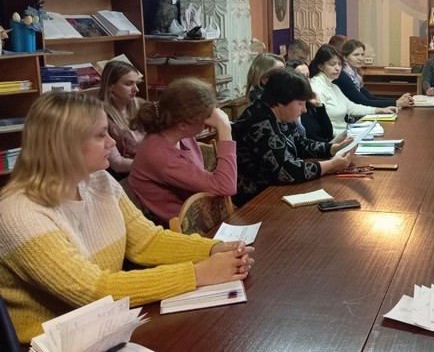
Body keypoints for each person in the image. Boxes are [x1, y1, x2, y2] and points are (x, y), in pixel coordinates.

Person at [0, 92, 254, 344]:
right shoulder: (19, 214)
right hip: (48, 343)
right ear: (65, 145)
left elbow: (147, 241)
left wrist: (212, 249)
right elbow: (94, 290)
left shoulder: (98, 180)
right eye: (101, 135)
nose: (112, 142)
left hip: (102, 328)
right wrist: (197, 273)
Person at [232, 69, 354, 206]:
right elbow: (288, 170)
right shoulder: (260, 123)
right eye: (300, 103)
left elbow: (300, 143)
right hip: (256, 200)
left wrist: (334, 148)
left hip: (277, 190)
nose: (304, 110)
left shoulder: (279, 114)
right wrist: (332, 165)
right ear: (280, 101)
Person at [129, 78, 237, 226]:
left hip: (203, 218)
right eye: (205, 118)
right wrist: (224, 127)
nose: (210, 124)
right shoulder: (161, 155)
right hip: (179, 230)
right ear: (183, 125)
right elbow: (226, 186)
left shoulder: (183, 137)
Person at [309, 45, 396, 136]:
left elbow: (351, 107)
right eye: (332, 64)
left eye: (339, 64)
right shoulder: (316, 88)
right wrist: (349, 134)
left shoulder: (333, 85)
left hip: (346, 133)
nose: (338, 68)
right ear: (320, 66)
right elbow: (321, 125)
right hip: (336, 138)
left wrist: (379, 110)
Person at [97, 60, 144, 179]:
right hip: (125, 177)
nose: (136, 89)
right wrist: (155, 165)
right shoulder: (100, 115)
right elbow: (117, 164)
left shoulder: (141, 105)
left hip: (147, 169)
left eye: (136, 83)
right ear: (110, 86)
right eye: (129, 84)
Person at [335, 39, 413, 108]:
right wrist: (397, 103)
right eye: (356, 55)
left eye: (362, 54)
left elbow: (370, 98)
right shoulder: (343, 76)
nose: (360, 58)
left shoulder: (354, 75)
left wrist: (398, 100)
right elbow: (364, 103)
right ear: (345, 57)